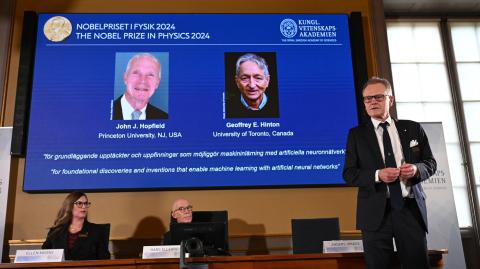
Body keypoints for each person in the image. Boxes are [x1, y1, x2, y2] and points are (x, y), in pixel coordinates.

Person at [343, 77, 436, 269]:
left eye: (378, 97)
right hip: (375, 214)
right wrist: (378, 175)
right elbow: (349, 173)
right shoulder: (356, 135)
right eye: (367, 99)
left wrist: (416, 169)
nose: (372, 102)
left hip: (410, 210)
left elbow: (430, 163)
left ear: (390, 100)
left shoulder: (412, 128)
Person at [42, 192, 111, 260]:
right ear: (69, 206)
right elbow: (44, 256)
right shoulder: (56, 231)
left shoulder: (96, 231)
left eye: (86, 203)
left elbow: (104, 259)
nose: (84, 207)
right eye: (79, 203)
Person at [113, 53, 168, 120]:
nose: (143, 80)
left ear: (157, 83)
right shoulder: (103, 113)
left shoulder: (164, 118)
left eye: (150, 75)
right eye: (136, 73)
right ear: (125, 77)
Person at [226, 53, 279, 118]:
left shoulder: (279, 106)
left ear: (267, 80)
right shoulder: (227, 109)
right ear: (237, 82)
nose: (252, 85)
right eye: (245, 78)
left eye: (258, 78)